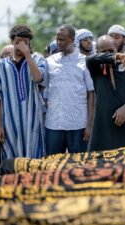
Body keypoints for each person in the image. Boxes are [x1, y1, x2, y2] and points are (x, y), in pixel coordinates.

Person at [0, 25, 47, 159]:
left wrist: (28, 54)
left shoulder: (38, 60)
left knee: (34, 158)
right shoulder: (1, 65)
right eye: (18, 43)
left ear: (29, 43)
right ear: (12, 42)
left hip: (32, 120)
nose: (21, 46)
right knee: (11, 159)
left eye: (25, 43)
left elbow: (38, 78)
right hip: (9, 122)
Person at [86, 35, 125, 151]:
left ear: (116, 47)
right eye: (104, 52)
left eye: (111, 50)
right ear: (97, 52)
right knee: (100, 164)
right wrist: (116, 56)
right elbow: (90, 59)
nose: (109, 53)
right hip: (103, 124)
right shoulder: (95, 66)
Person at [45, 25, 94, 155]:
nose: (59, 43)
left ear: (72, 40)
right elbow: (42, 89)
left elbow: (91, 94)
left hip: (78, 124)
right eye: (57, 39)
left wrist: (89, 125)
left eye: (62, 40)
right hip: (54, 123)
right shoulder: (49, 61)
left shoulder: (85, 62)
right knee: (52, 166)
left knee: (79, 167)